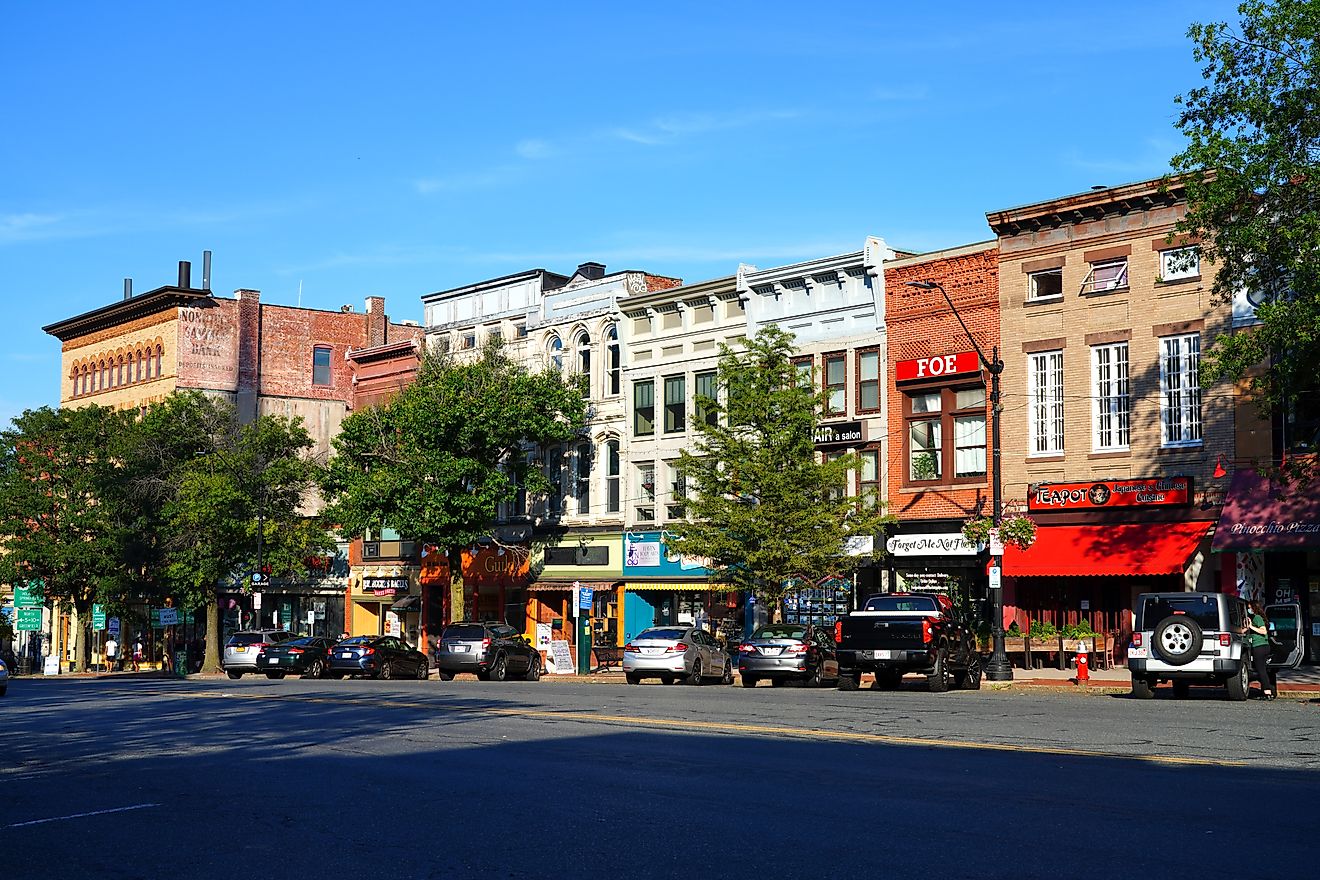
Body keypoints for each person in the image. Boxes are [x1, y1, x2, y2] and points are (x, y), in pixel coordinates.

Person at [1245, 600, 1275, 701]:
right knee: (1263, 670)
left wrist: (1251, 627)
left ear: (1254, 608)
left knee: (1261, 670)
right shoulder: (1256, 618)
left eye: (1249, 607)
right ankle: (1269, 691)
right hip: (1263, 646)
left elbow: (1263, 630)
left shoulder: (1257, 617)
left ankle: (1267, 691)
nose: (1249, 609)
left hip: (1259, 647)